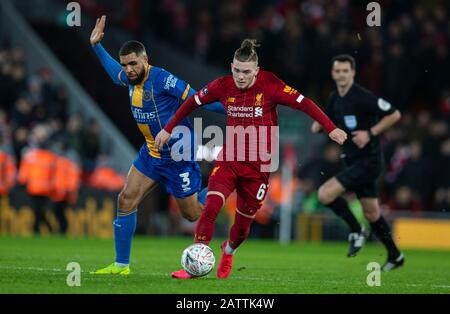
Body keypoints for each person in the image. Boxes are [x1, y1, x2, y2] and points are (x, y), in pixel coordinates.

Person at [155, 39, 347, 279]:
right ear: (231, 66)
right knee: (211, 206)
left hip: (258, 168)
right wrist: (168, 128)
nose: (240, 77)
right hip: (229, 160)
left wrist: (330, 128)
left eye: (246, 72)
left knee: (241, 229)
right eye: (236, 70)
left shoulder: (271, 85)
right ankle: (195, 264)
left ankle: (229, 250)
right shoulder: (222, 86)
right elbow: (192, 102)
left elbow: (304, 104)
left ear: (256, 71)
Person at [89, 16, 225, 275]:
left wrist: (234, 109)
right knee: (126, 199)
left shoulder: (163, 80)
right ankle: (121, 265)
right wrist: (97, 46)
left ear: (145, 60)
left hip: (178, 154)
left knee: (192, 214)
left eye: (133, 64)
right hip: (151, 153)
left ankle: (221, 188)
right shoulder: (129, 78)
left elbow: (198, 98)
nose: (128, 69)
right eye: (125, 65)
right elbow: (112, 72)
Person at [311, 54, 404, 271]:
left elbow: (394, 114)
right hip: (352, 161)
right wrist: (321, 125)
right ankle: (395, 255)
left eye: (346, 71)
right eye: (338, 71)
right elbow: (329, 119)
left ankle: (356, 229)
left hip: (368, 161)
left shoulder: (362, 97)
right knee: (372, 212)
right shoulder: (335, 98)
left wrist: (370, 133)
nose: (342, 75)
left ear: (353, 73)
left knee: (325, 194)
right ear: (333, 73)